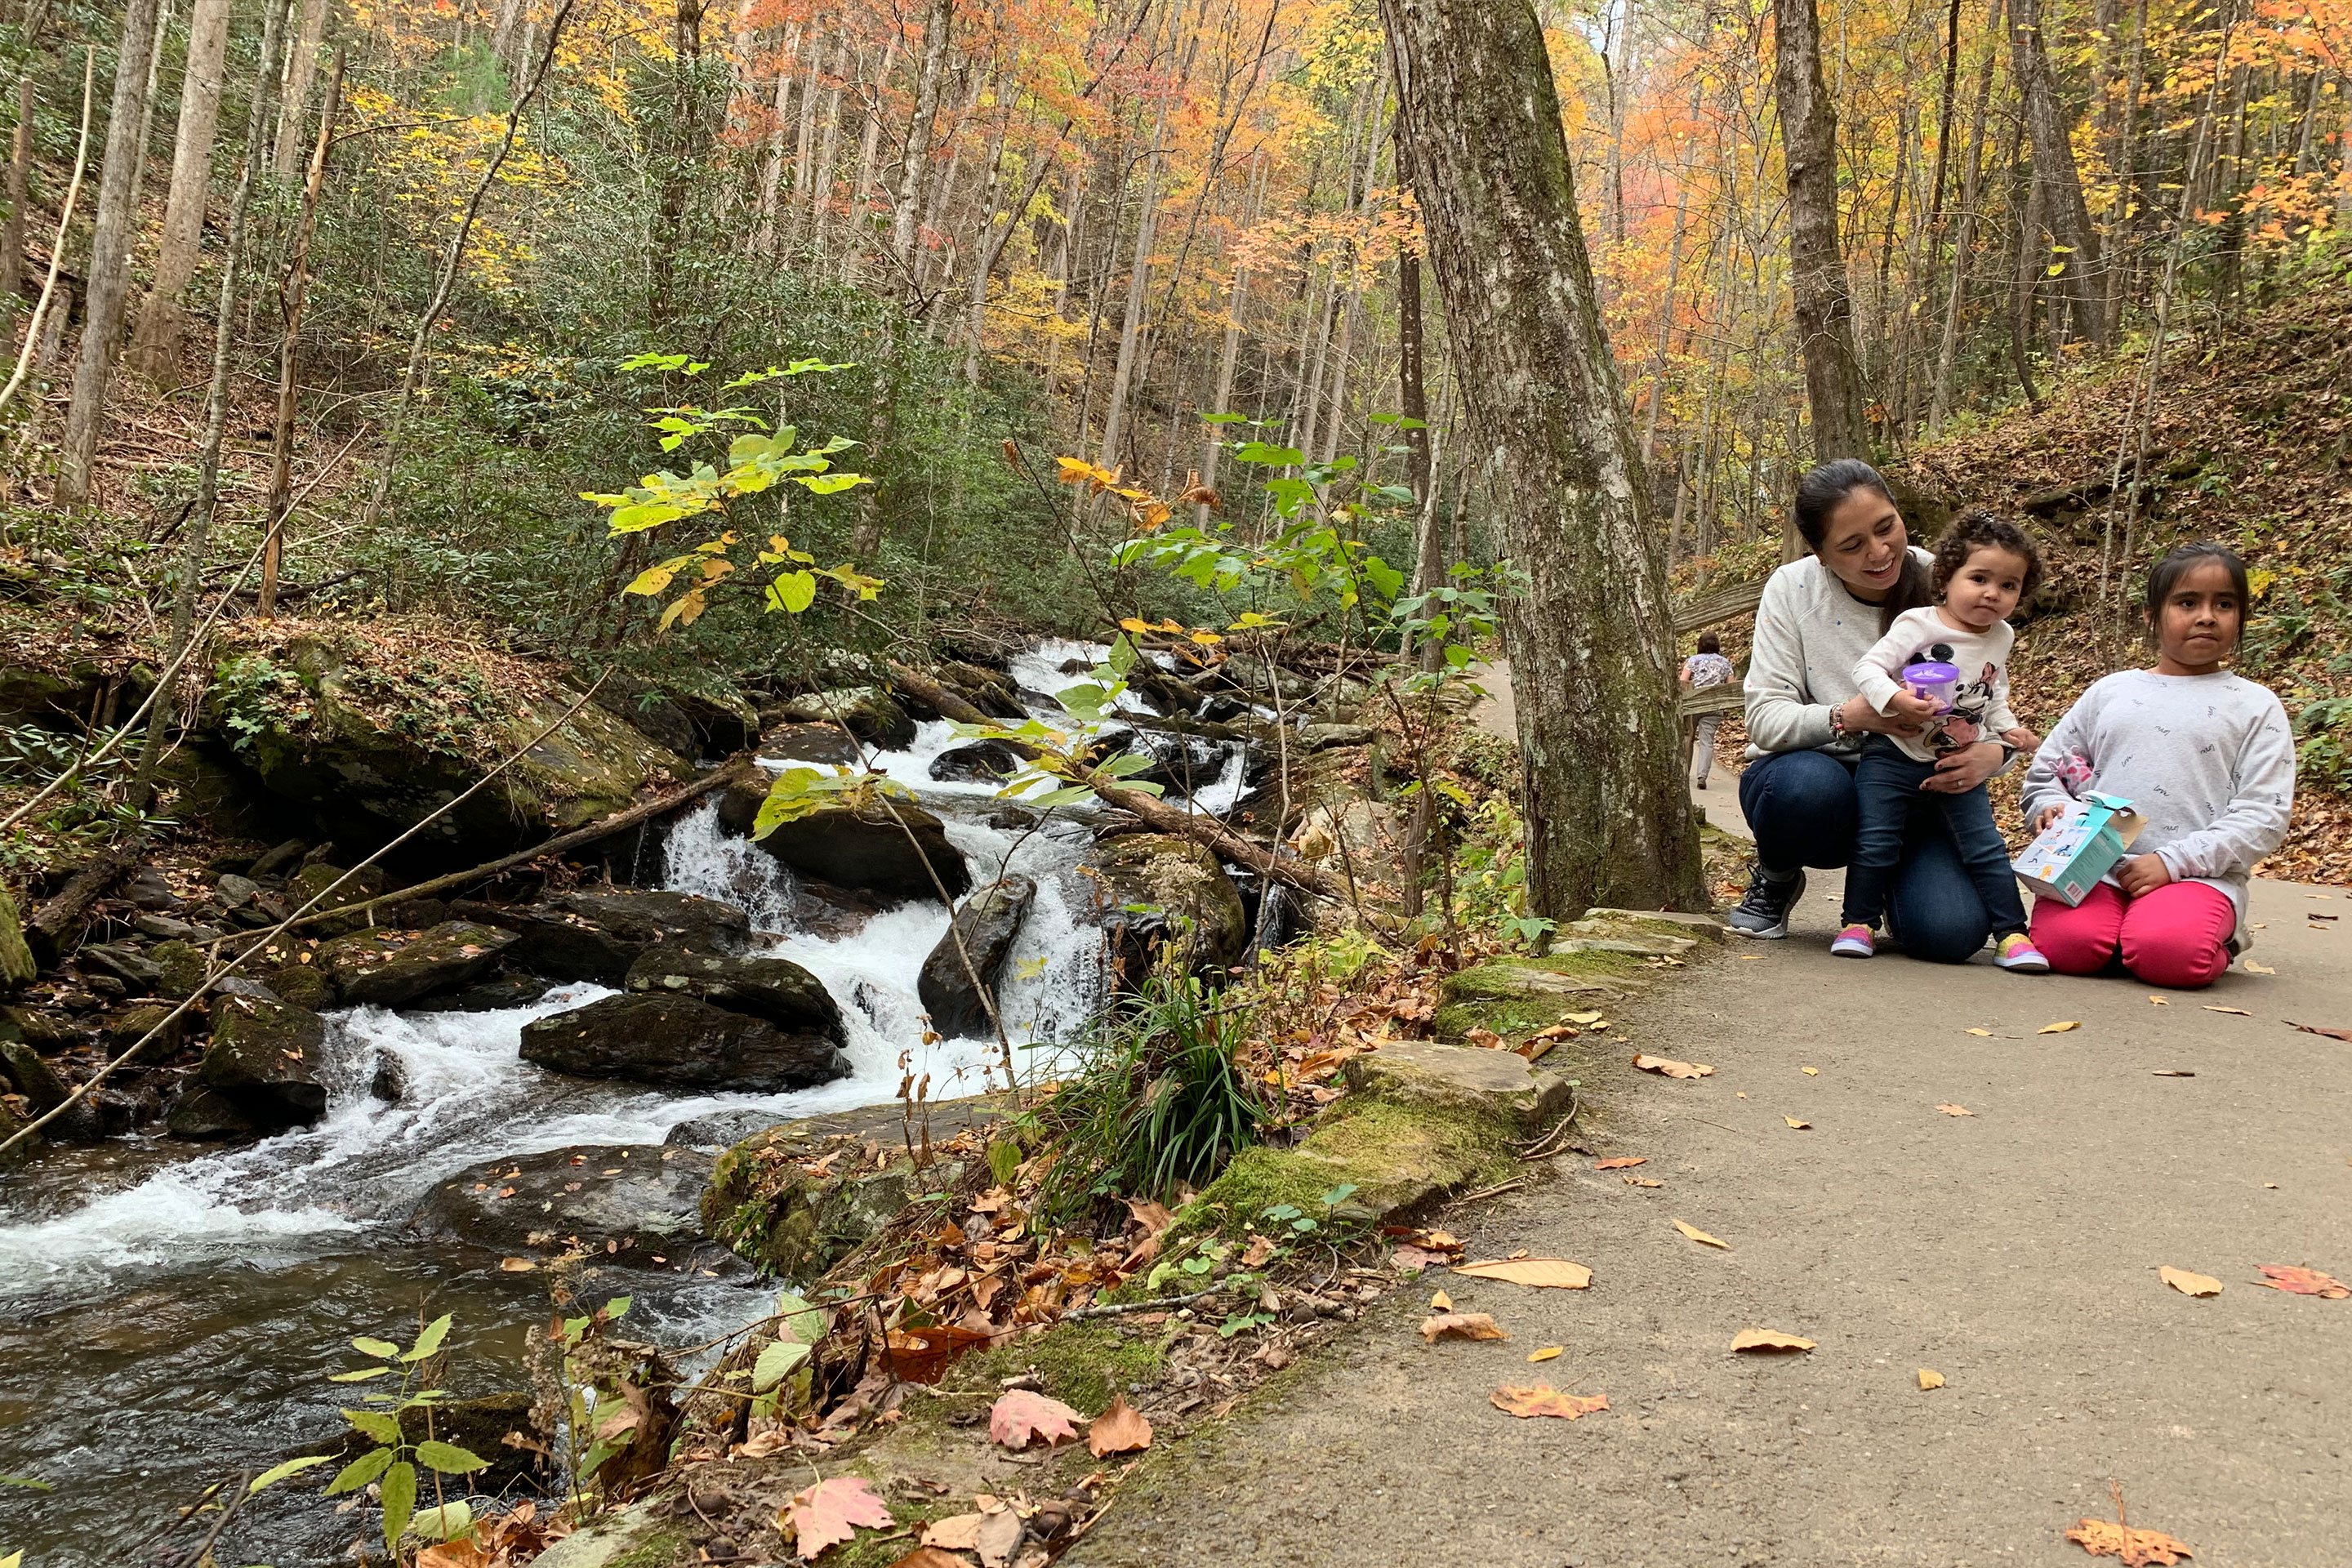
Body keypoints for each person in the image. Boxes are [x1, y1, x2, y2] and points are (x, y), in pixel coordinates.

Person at [1728, 458, 2018, 960]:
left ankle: (1891, 884)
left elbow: (1988, 694)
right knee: (1800, 790)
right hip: (1825, 784)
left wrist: (1997, 755)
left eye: (1886, 528)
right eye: (1852, 545)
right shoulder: (1792, 590)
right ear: (1819, 554)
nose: (1880, 552)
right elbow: (1764, 720)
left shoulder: (1948, 580)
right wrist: (1854, 716)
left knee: (1950, 934)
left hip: (1919, 793)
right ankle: (1777, 875)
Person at [2020, 542, 2295, 989]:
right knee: (2066, 949)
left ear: (2240, 618)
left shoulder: (2256, 706)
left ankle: (2201, 936)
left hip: (2196, 875)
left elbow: (2264, 814)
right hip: (2091, 869)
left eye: (2224, 604)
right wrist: (2050, 807)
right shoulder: (2110, 693)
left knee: (2172, 955)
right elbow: (2053, 769)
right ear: (2151, 616)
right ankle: (2125, 935)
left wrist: (2172, 862)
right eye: (2188, 602)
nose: (2207, 616)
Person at [1833, 510, 2047, 971]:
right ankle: (1859, 923)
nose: (1992, 593)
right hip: (1893, 754)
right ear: (1947, 578)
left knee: (1985, 846)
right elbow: (1866, 668)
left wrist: (2007, 730)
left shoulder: (2001, 636)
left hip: (1957, 761)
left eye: (2009, 586)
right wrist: (1895, 699)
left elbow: (1994, 693)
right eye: (1979, 578)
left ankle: (2012, 935)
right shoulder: (1919, 624)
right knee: (1876, 840)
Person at [1680, 631, 1735, 789]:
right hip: (1714, 705)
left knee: (1687, 737)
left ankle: (1684, 772)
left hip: (1693, 703)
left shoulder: (1693, 660)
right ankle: (1702, 776)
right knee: (1706, 742)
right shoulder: (1725, 663)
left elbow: (1683, 681)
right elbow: (1731, 686)